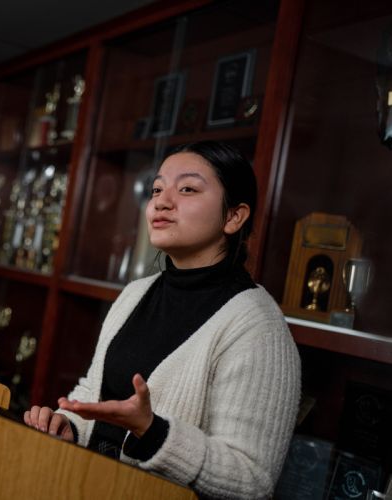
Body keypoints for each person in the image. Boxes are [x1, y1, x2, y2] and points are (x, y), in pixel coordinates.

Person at [23, 141, 300, 499]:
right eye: (157, 189)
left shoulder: (258, 327)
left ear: (234, 217)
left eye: (187, 189)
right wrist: (69, 425)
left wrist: (153, 432)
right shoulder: (136, 293)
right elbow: (95, 393)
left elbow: (251, 481)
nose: (161, 201)